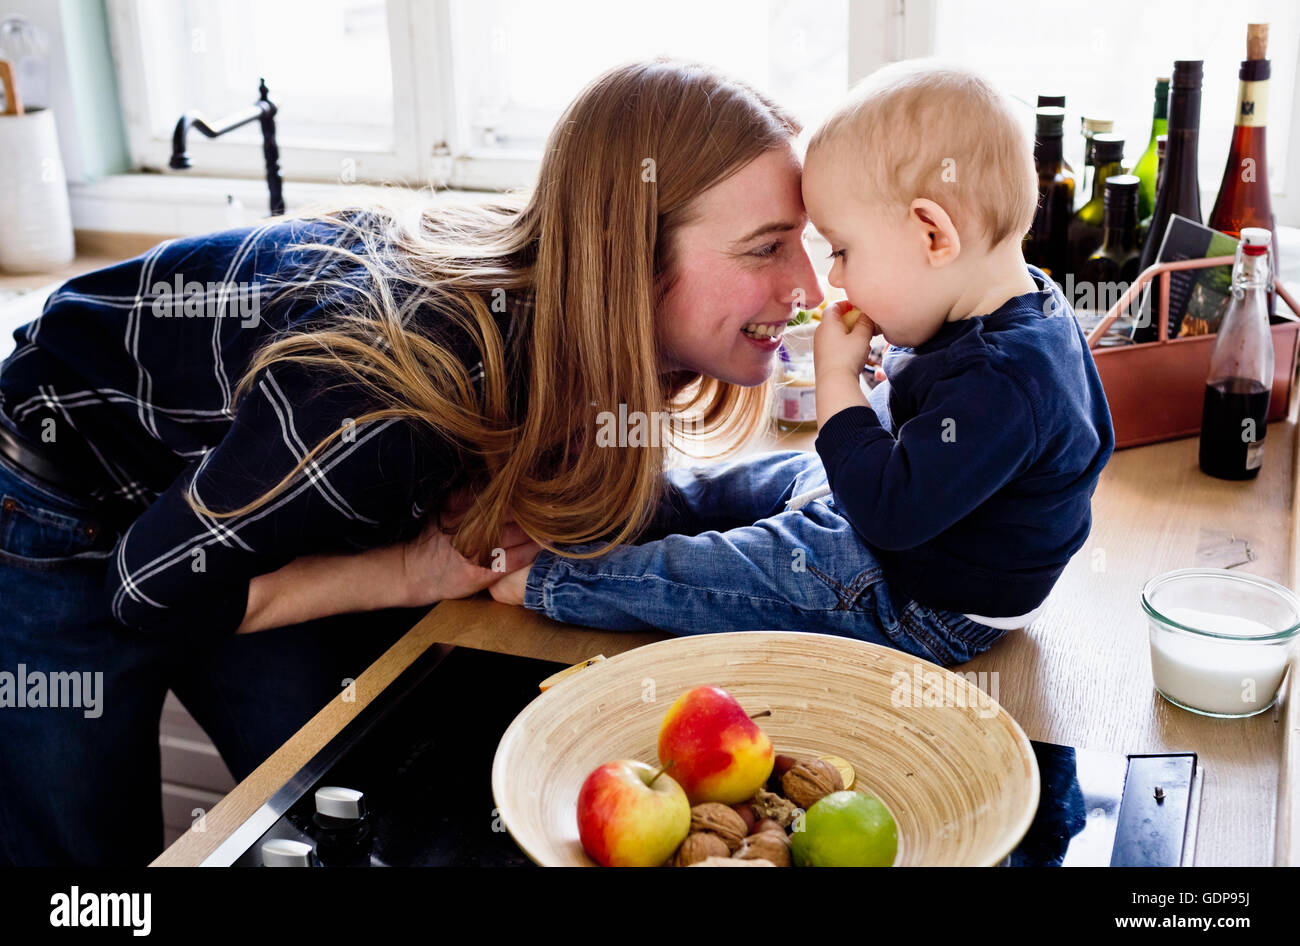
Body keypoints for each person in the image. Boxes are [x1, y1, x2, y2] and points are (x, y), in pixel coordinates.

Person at [0, 58, 817, 865]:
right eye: (766, 249)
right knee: (83, 864)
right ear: (626, 258)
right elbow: (149, 589)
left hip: (235, 509)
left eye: (806, 243)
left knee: (341, 793)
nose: (807, 284)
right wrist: (415, 572)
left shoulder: (574, 330)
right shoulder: (390, 402)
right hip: (56, 493)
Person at [490, 60, 1115, 668]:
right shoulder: (1025, 301)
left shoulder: (1003, 380)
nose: (830, 281)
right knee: (764, 478)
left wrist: (838, 382)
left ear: (932, 236)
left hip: (918, 598)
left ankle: (567, 583)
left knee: (748, 566)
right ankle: (634, 510)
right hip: (893, 519)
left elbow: (888, 514)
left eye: (842, 249)